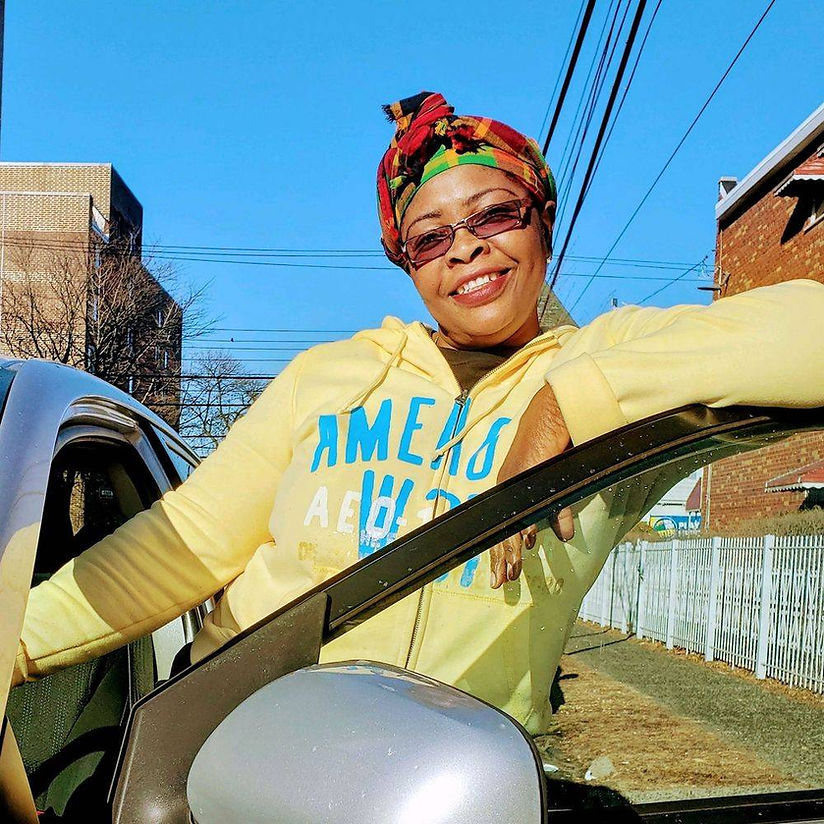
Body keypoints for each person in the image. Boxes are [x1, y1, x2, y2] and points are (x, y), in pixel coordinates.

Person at [12, 91, 824, 734]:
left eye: (495, 214)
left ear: (543, 218)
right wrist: (10, 645)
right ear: (405, 261)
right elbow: (179, 550)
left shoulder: (614, 363)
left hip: (448, 790)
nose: (465, 248)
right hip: (230, 753)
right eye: (430, 237)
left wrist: (573, 400)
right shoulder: (331, 377)